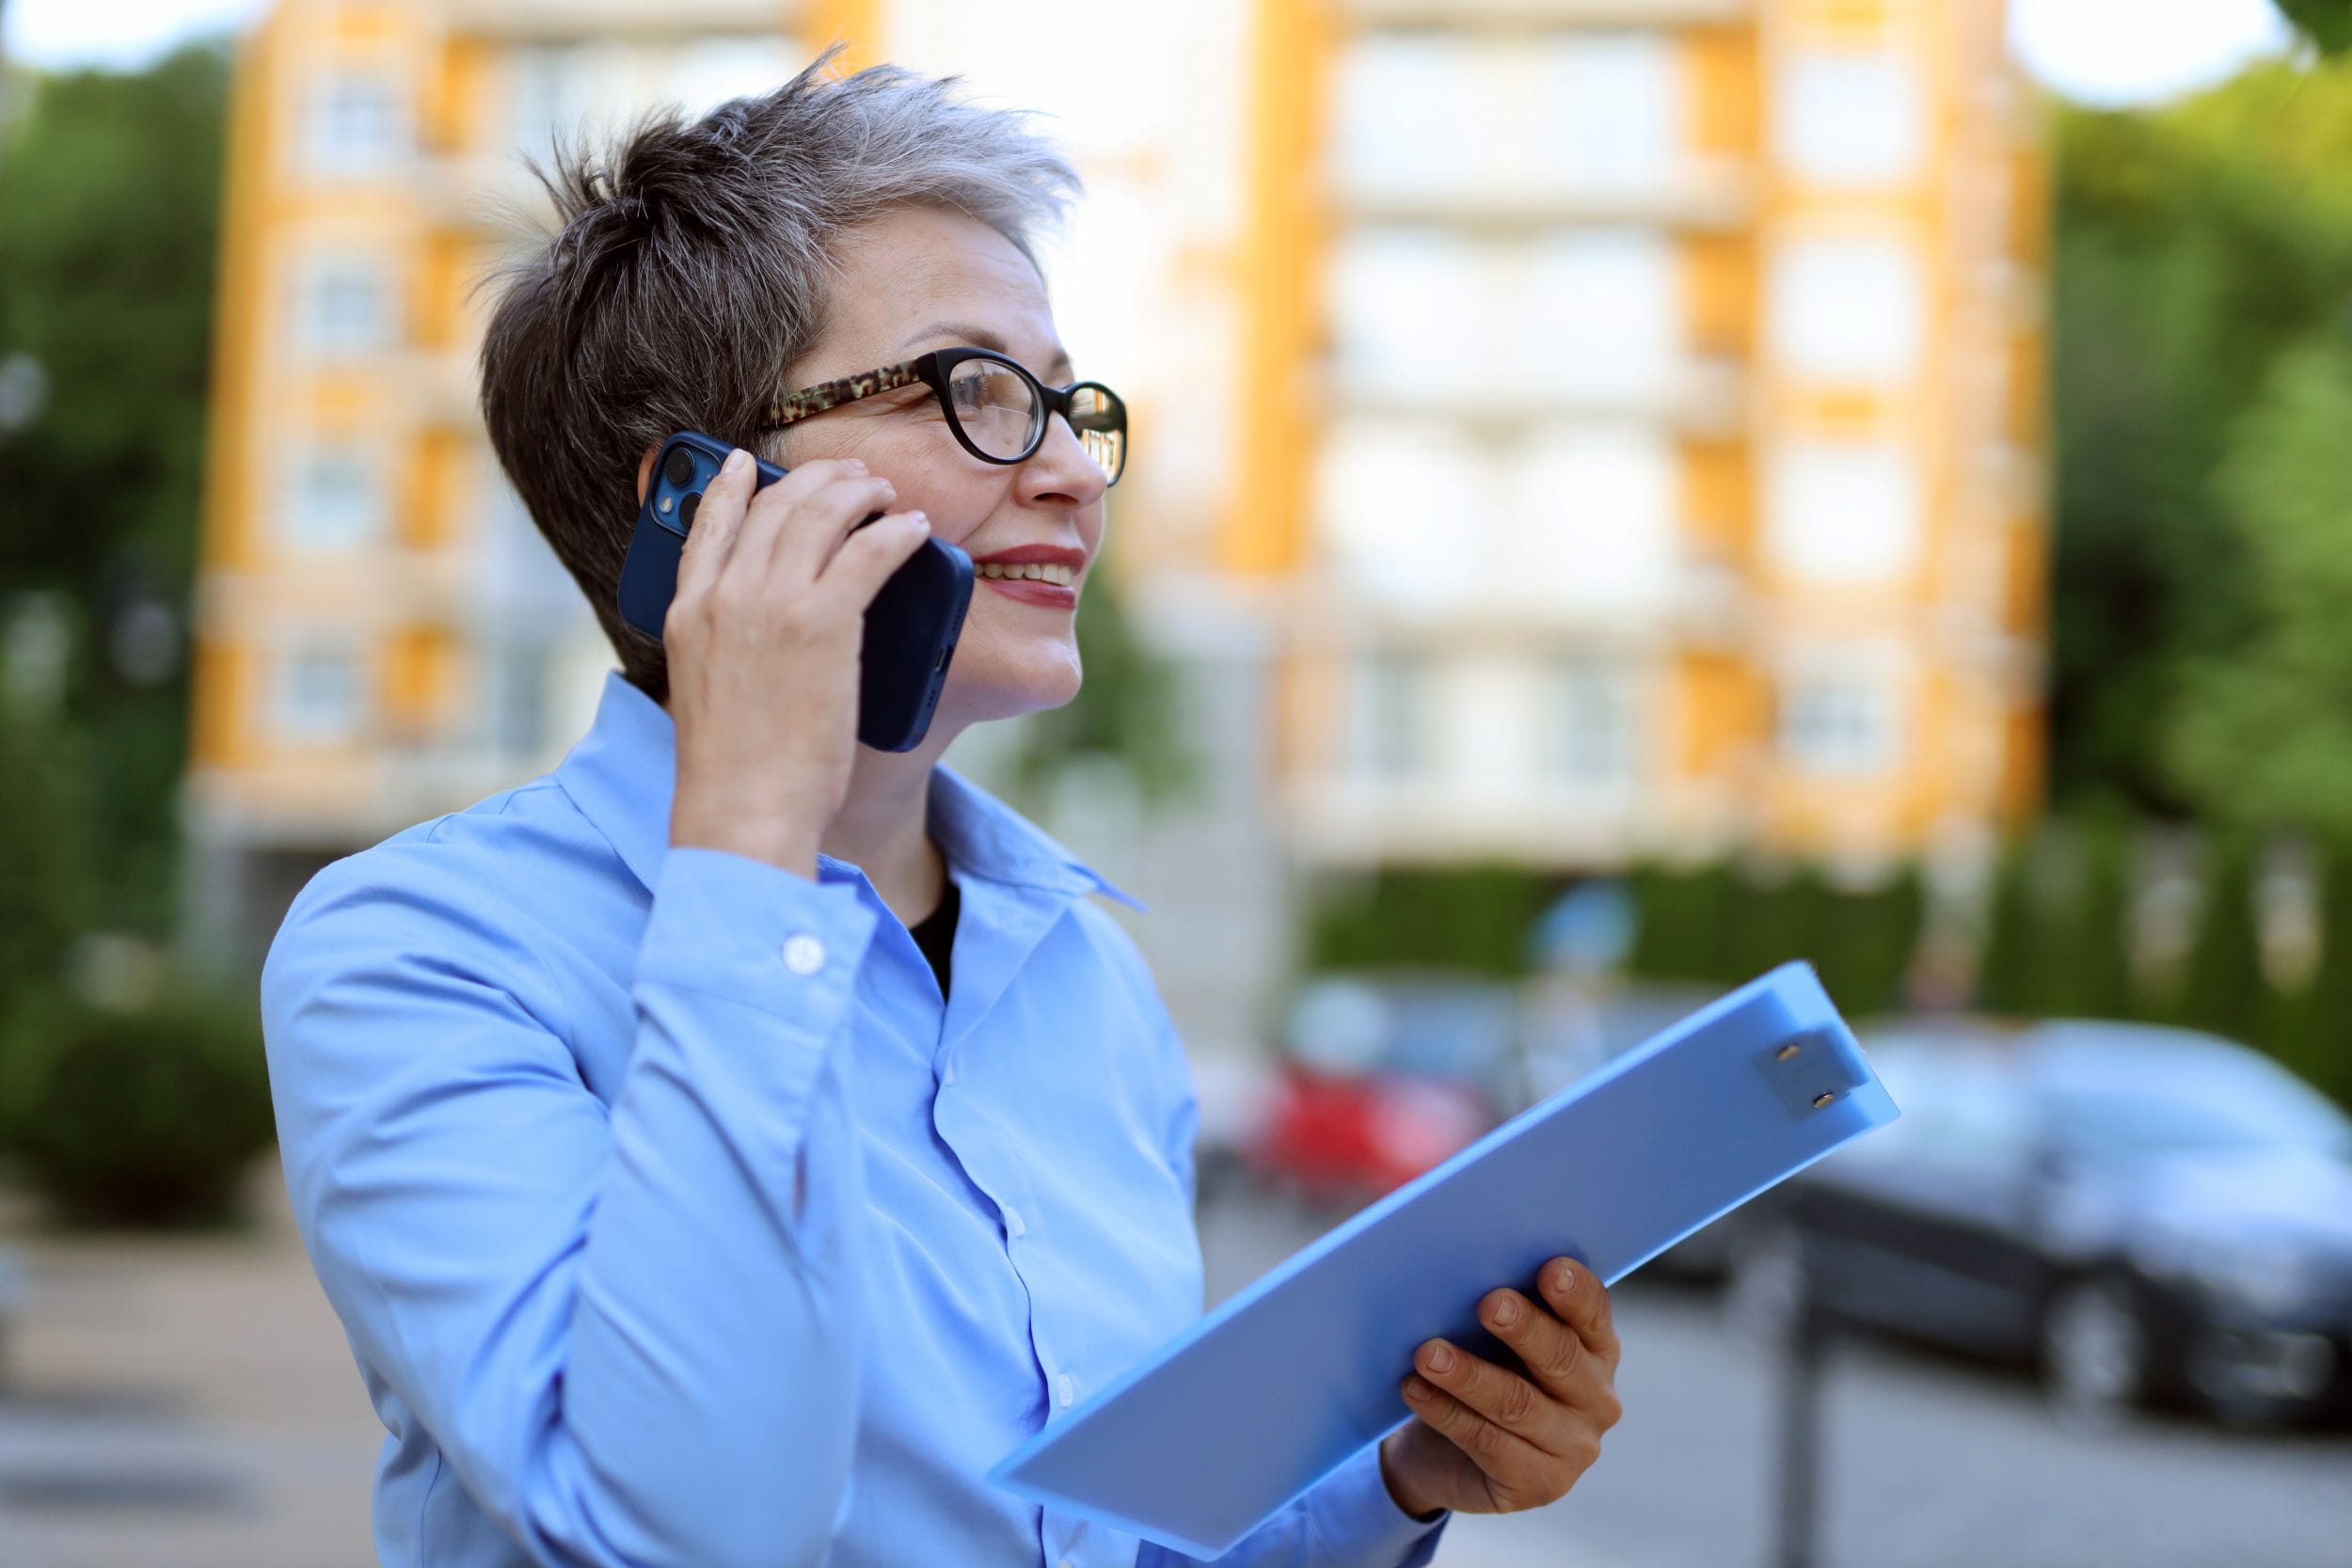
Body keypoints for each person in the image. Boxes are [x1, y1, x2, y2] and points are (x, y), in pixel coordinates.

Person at [259, 49, 1621, 1568]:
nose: (1069, 476)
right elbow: (677, 1530)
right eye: (972, 391)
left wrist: (1402, 1482)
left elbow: (1118, 1547)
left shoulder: (1087, 977)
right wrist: (752, 845)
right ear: (697, 500)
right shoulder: (420, 953)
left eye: (1064, 401)